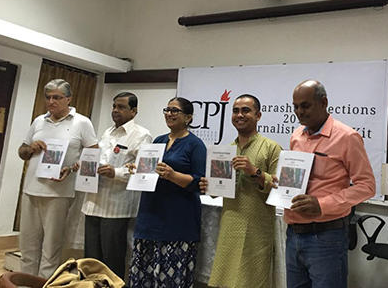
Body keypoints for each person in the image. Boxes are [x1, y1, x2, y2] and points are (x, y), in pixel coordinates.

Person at [285, 80, 376, 288]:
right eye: (295, 106)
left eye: (305, 105)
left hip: (326, 237)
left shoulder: (347, 137)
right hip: (293, 233)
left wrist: (322, 204)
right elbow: (298, 177)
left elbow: (367, 186)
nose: (299, 112)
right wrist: (281, 185)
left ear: (323, 102)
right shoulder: (296, 135)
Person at [200, 94, 282, 288]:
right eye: (236, 111)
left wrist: (255, 172)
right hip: (230, 222)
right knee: (225, 279)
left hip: (257, 227)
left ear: (258, 115)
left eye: (246, 110)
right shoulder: (226, 151)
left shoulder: (271, 147)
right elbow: (217, 191)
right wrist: (208, 186)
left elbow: (280, 188)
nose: (240, 115)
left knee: (251, 279)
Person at [18, 79, 98, 278]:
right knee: (27, 246)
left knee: (51, 249)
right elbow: (22, 151)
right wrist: (31, 148)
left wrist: (71, 168)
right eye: (48, 97)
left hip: (59, 193)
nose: (51, 101)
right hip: (31, 189)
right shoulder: (39, 121)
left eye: (57, 97)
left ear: (68, 99)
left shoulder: (81, 122)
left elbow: (93, 155)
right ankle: (25, 283)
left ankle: (45, 283)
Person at [128, 97, 206, 288]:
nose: (169, 114)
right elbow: (149, 172)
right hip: (149, 215)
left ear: (188, 117)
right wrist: (137, 169)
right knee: (143, 276)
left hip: (177, 220)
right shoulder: (158, 140)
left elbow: (199, 182)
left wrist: (173, 175)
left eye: (175, 111)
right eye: (167, 110)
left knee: (170, 280)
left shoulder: (195, 144)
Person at [81, 92, 152, 278]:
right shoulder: (107, 132)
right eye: (114, 106)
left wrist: (117, 173)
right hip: (93, 202)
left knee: (112, 260)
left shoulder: (142, 135)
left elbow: (144, 171)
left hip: (116, 207)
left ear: (134, 111)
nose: (115, 110)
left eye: (121, 107)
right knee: (91, 260)